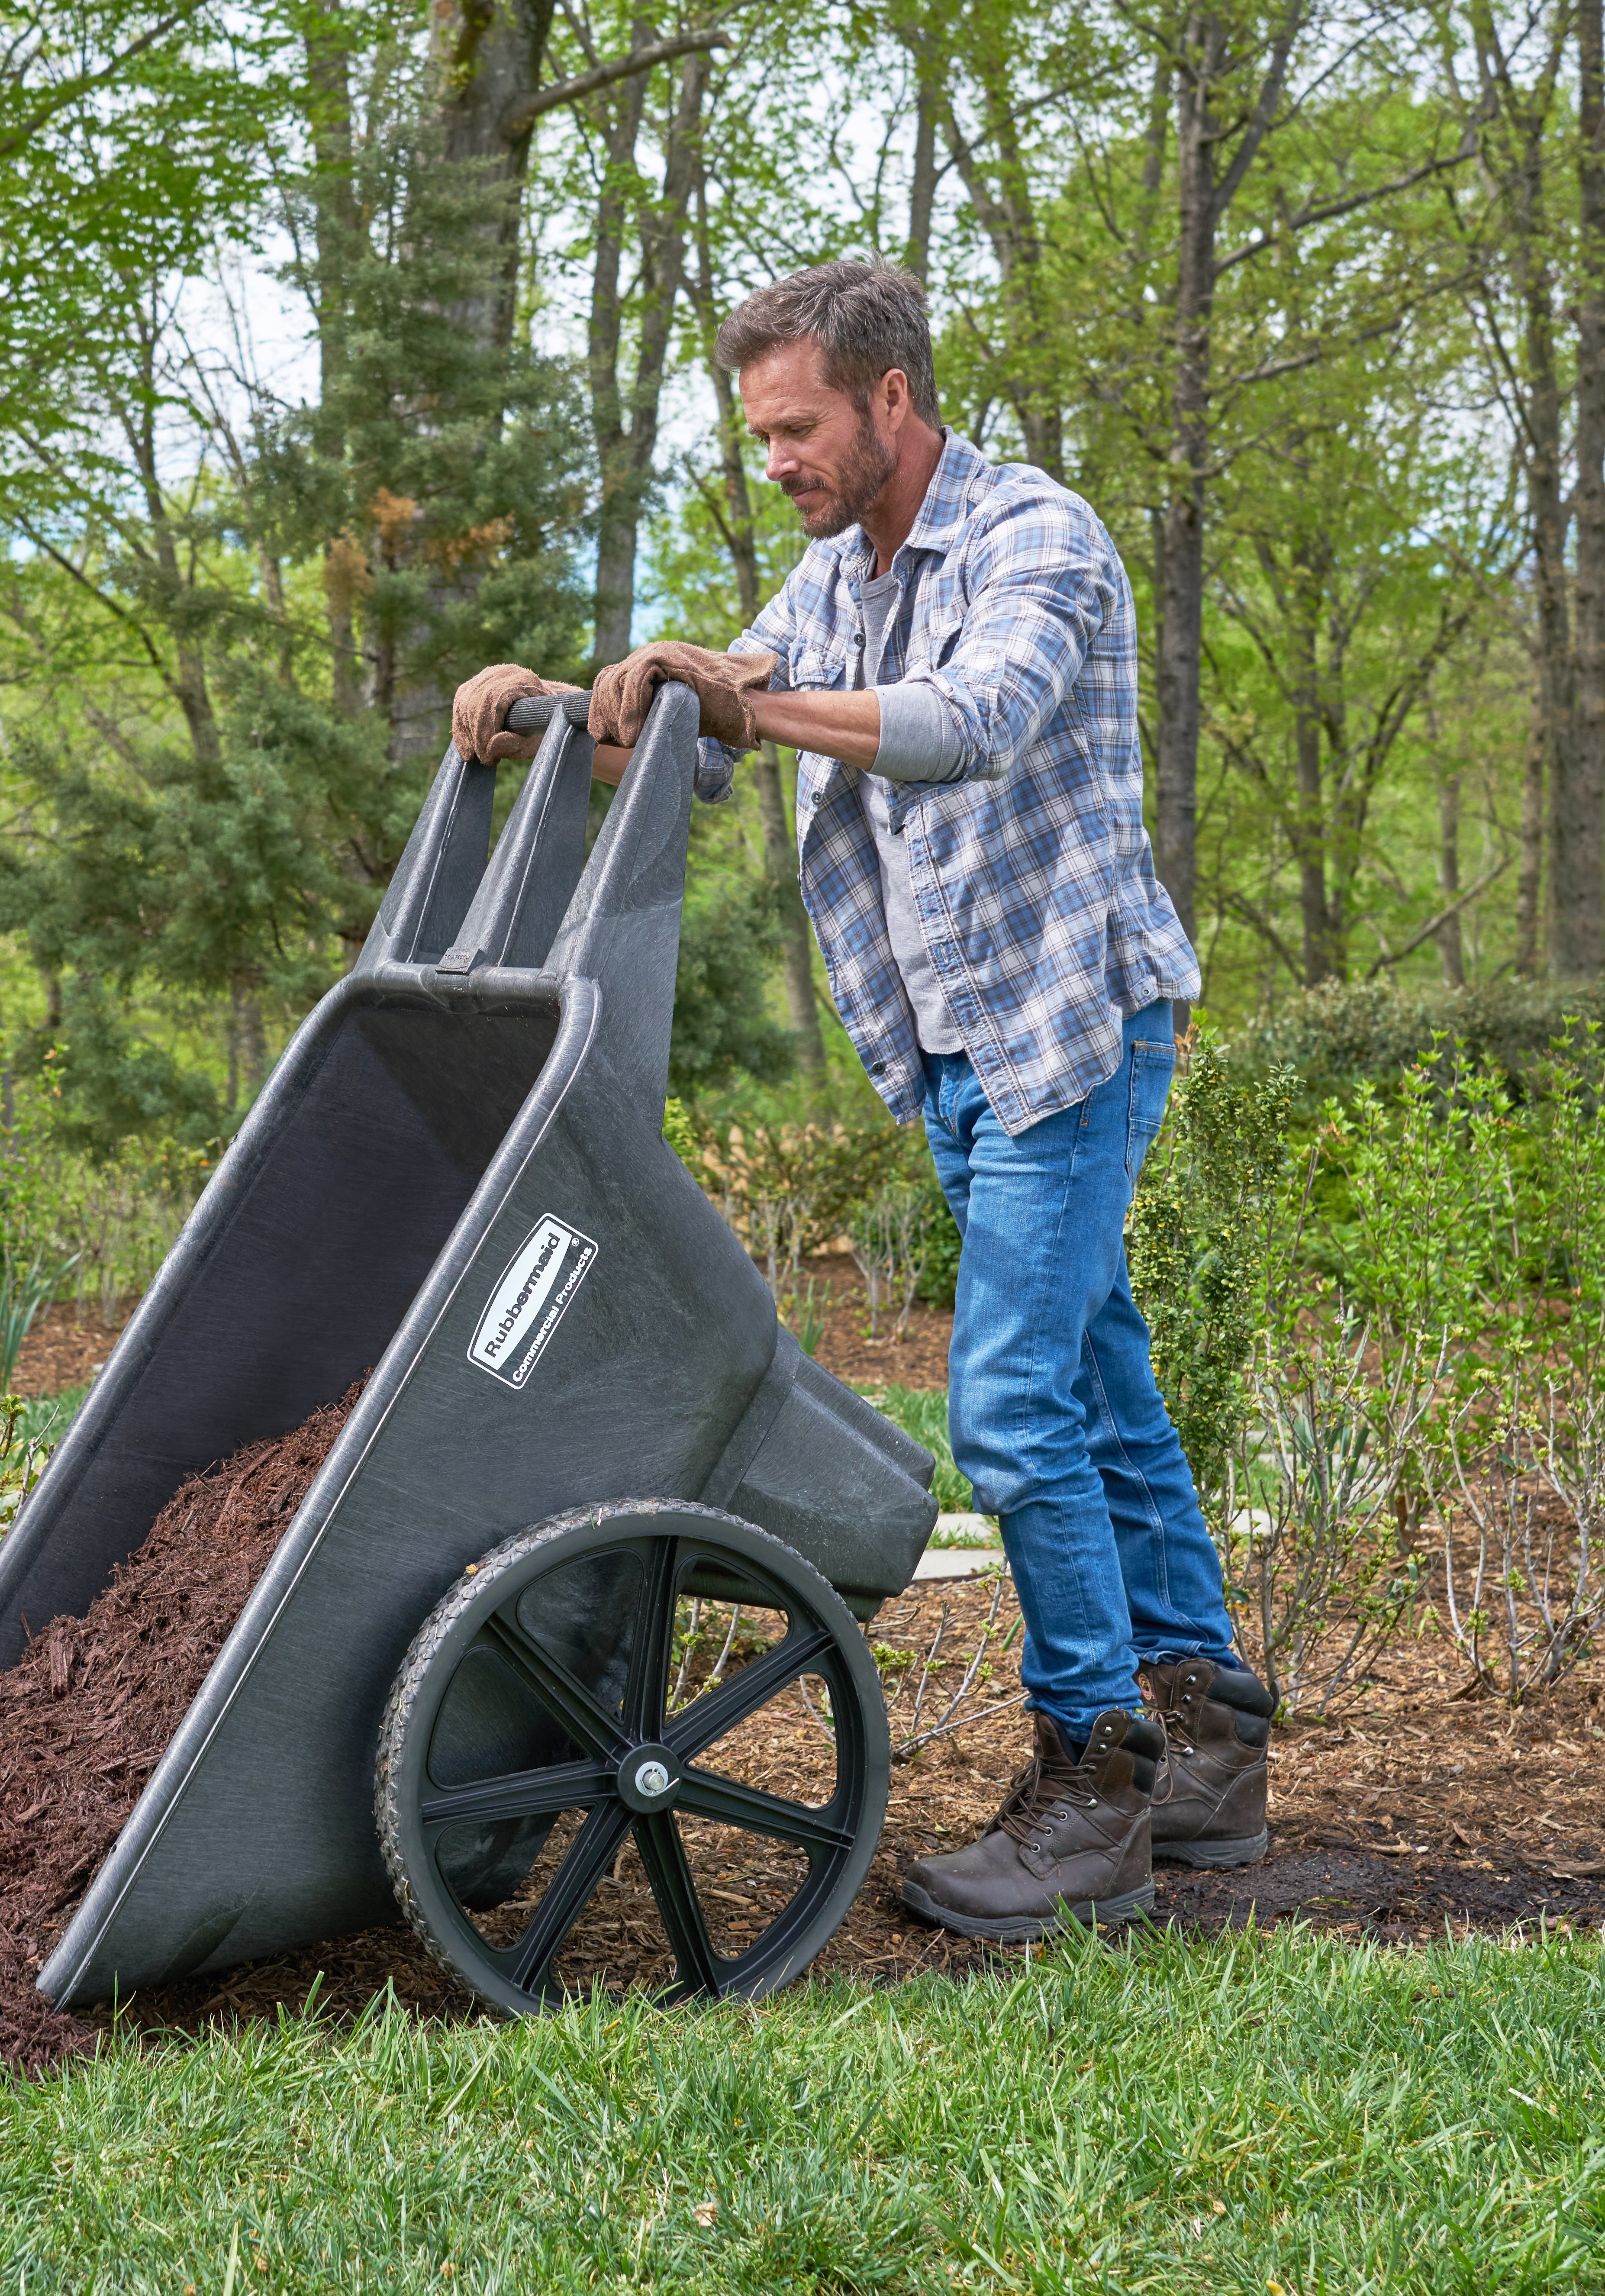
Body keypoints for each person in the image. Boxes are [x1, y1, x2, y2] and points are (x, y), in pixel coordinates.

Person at [452, 259, 1273, 1942]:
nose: (774, 462)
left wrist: (731, 696)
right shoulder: (833, 579)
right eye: (756, 435)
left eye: (795, 427)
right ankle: (1208, 1752)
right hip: (958, 1045)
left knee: (1011, 1411)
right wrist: (544, 709)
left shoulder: (1035, 540)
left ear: (889, 399)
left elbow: (964, 725)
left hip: (1070, 1030)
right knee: (1099, 1388)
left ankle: (1093, 1792)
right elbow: (696, 740)